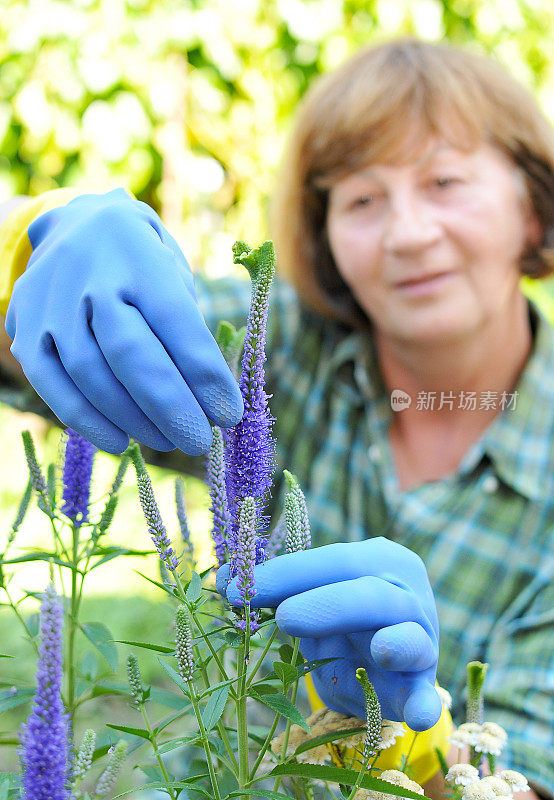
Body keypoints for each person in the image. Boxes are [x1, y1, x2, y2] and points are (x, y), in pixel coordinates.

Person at [0, 37, 553, 797]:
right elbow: (104, 332)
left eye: (445, 182)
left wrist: (420, 744)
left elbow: (525, 773)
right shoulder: (281, 348)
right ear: (323, 239)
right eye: (361, 199)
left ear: (534, 207)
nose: (408, 233)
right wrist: (41, 248)